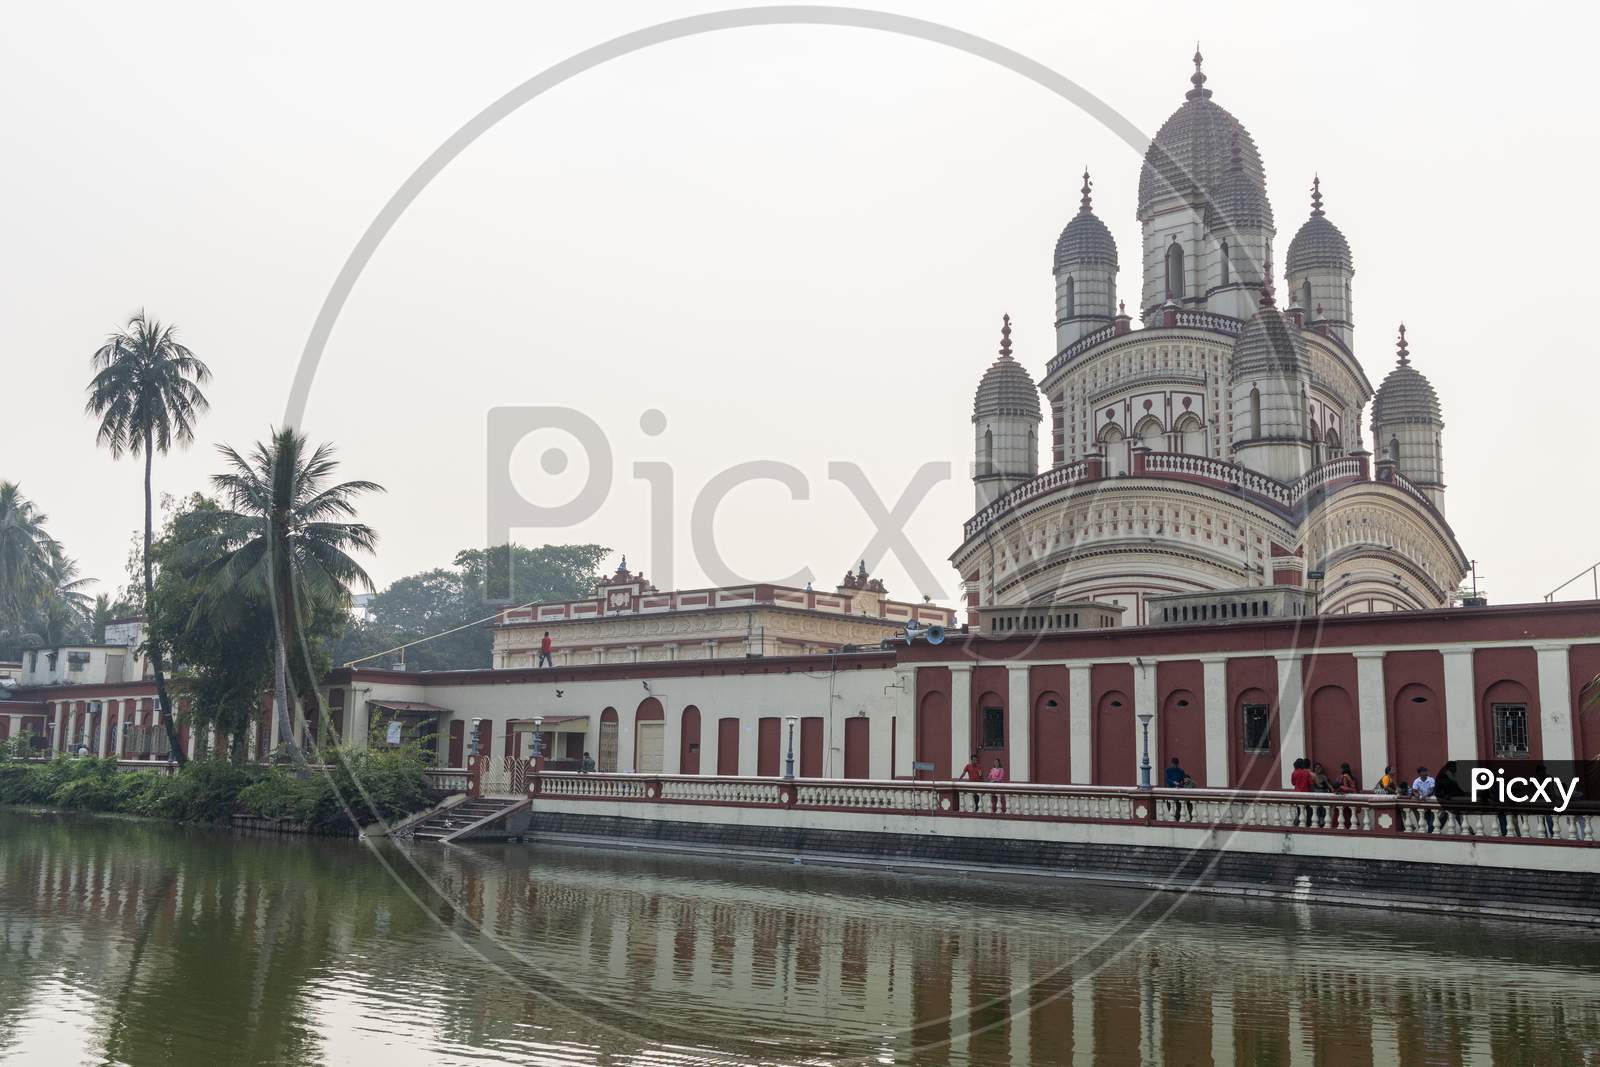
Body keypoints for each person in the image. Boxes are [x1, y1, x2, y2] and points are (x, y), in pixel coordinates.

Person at [1164, 756, 1194, 821]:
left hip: (1178, 789)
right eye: (1173, 764)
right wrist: (1173, 782)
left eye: (1176, 764)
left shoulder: (1181, 771)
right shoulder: (1168, 770)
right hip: (1170, 789)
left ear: (1178, 764)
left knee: (1178, 804)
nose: (1174, 766)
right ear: (1171, 764)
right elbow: (1167, 780)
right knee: (1169, 803)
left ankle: (1177, 817)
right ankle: (1172, 815)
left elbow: (1183, 780)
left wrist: (1182, 783)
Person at [1410, 765, 1437, 833]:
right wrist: (1418, 796)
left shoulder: (1431, 779)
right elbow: (1414, 791)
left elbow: (1432, 790)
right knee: (1427, 818)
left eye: (1425, 771)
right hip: (1422, 802)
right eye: (1423, 772)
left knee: (1432, 818)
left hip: (1431, 801)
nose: (1425, 773)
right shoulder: (1416, 781)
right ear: (1420, 773)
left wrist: (1425, 796)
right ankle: (1430, 832)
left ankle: (1430, 831)